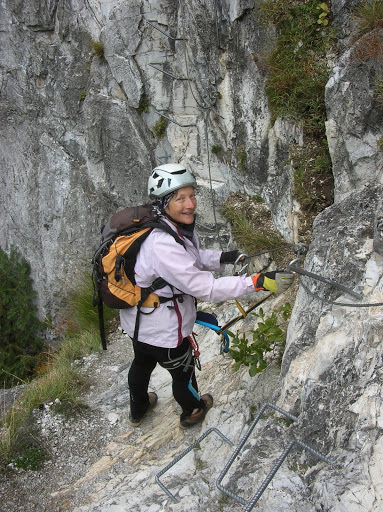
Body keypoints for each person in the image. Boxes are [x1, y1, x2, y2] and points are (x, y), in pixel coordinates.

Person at [120, 163, 294, 429]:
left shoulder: (163, 226)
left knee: (142, 363)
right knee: (183, 372)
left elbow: (190, 258)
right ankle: (193, 410)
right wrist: (258, 281)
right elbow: (206, 289)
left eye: (192, 195)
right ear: (165, 202)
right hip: (164, 330)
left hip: (138, 322)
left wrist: (224, 257)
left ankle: (139, 408)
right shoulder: (163, 243)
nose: (190, 204)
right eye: (180, 198)